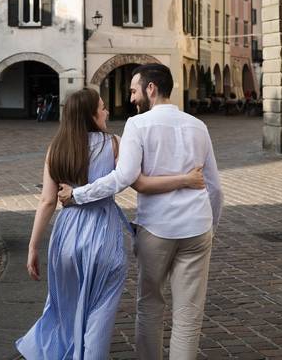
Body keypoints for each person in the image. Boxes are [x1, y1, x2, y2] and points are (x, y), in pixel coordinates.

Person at [16, 88, 204, 360]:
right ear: (91, 115)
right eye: (102, 108)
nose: (106, 112)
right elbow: (135, 181)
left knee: (64, 308)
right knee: (99, 317)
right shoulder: (114, 143)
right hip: (104, 237)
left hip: (66, 237)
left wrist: (33, 246)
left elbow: (47, 201)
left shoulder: (55, 149)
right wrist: (185, 180)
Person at [59, 64, 223, 360]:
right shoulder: (199, 126)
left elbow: (122, 178)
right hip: (198, 229)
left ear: (150, 89)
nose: (131, 98)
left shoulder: (138, 125)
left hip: (157, 229)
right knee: (188, 313)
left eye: (134, 90)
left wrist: (78, 194)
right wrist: (210, 225)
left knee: (149, 304)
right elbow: (215, 187)